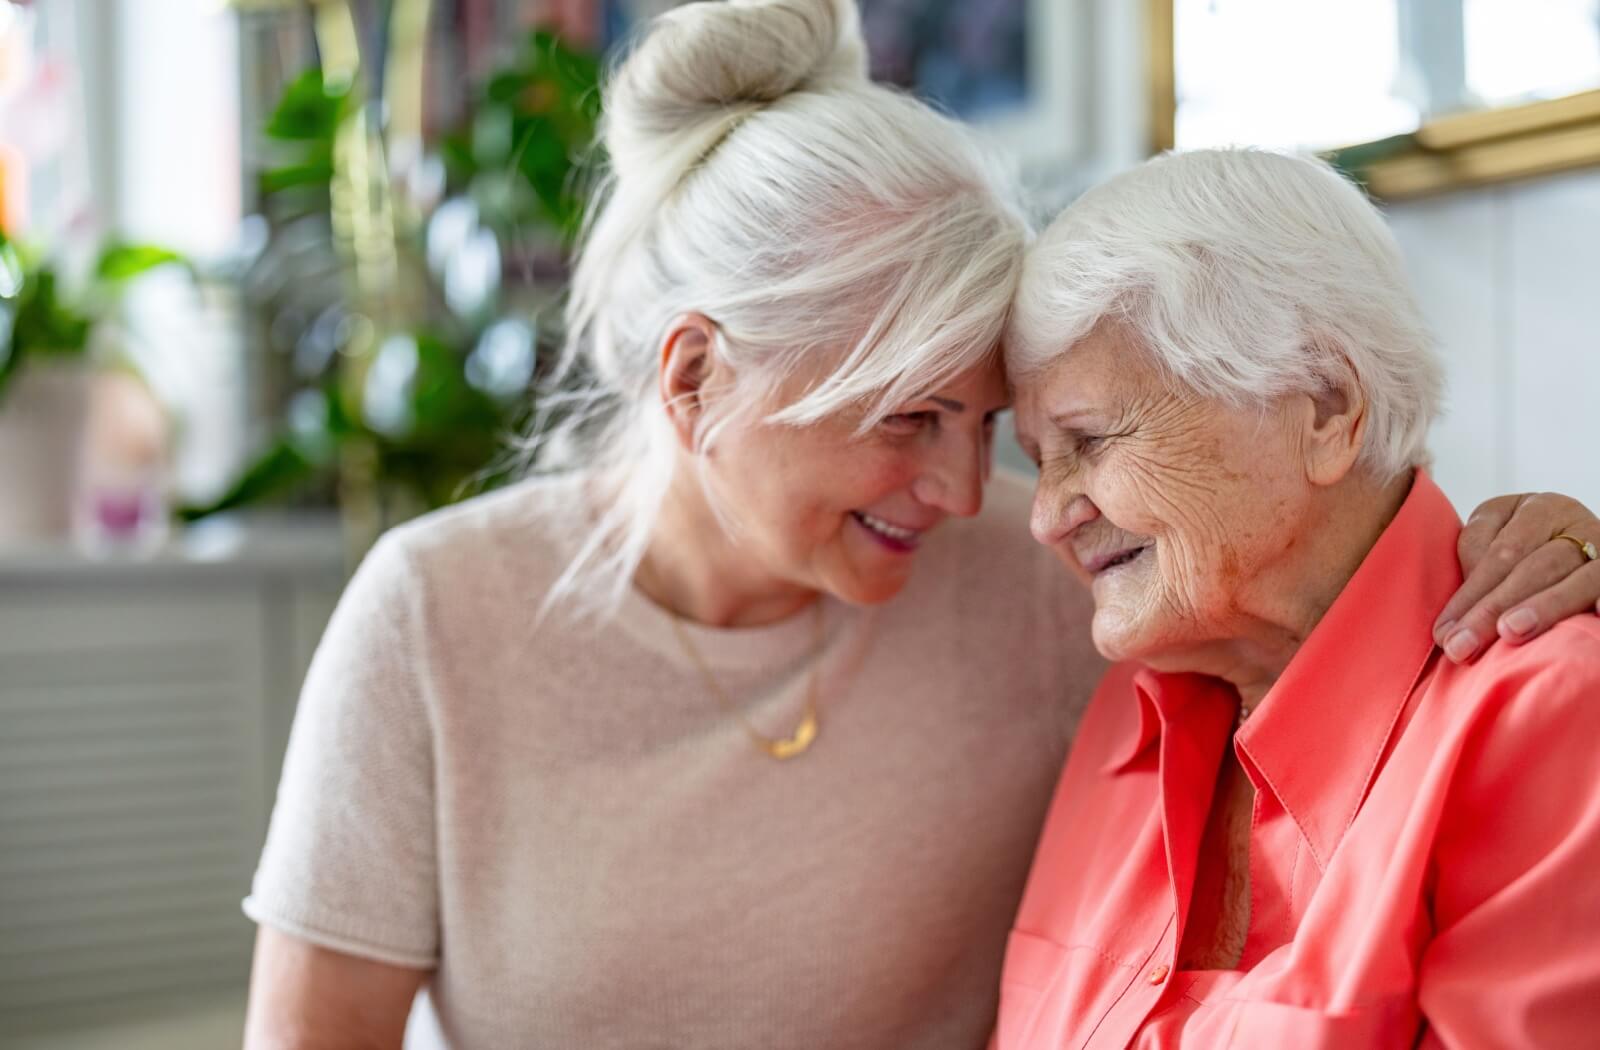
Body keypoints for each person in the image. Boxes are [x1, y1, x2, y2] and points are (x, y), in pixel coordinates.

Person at [242, 3, 1600, 1047]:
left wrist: (1549, 540)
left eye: (988, 425)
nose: (972, 500)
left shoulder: (1065, 595)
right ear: (697, 375)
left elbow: (1337, 560)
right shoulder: (431, 612)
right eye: (904, 418)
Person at [998, 147, 1600, 1049]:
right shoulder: (1123, 719)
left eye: (1089, 440)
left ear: (1324, 406)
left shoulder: (1547, 714)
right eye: (1037, 457)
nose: (1046, 515)